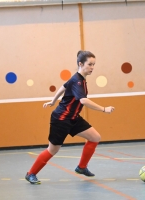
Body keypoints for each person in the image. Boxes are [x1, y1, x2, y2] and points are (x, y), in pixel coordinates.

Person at [25, 50, 115, 185]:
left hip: (73, 118)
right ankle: (31, 173)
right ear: (80, 64)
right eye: (90, 64)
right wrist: (103, 109)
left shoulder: (78, 79)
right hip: (61, 119)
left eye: (93, 64)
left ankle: (81, 167)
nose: (92, 67)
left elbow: (63, 86)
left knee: (95, 137)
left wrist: (53, 100)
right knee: (53, 149)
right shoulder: (78, 81)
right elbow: (83, 100)